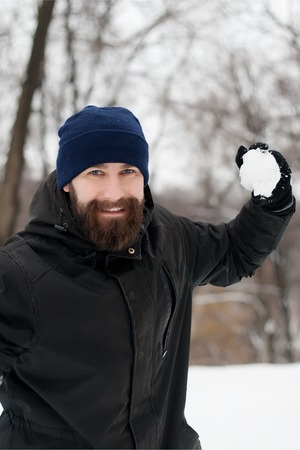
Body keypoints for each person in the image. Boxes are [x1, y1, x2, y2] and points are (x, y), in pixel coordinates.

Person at [0, 105, 295, 449]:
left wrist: (271, 203)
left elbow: (235, 252)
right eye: (95, 172)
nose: (114, 192)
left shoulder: (168, 239)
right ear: (68, 181)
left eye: (128, 171)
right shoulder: (20, 274)